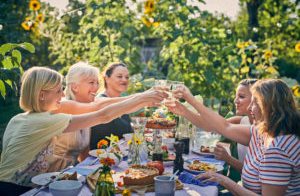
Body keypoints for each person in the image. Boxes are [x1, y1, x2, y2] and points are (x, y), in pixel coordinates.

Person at [0, 67, 167, 195]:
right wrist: (142, 97)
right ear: (42, 95)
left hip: (19, 186)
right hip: (15, 191)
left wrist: (143, 100)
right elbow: (102, 115)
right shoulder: (44, 120)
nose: (62, 95)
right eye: (58, 91)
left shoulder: (21, 118)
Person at [167, 79, 300, 196]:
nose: (249, 108)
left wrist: (224, 181)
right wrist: (183, 109)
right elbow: (223, 127)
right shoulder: (262, 132)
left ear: (268, 107)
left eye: (254, 103)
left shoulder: (276, 149)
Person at [47, 62, 100, 172]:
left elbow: (84, 153)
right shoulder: (61, 106)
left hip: (71, 174)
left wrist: (92, 172)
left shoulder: (86, 112)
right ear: (75, 87)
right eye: (91, 82)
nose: (97, 87)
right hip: (48, 174)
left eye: (97, 83)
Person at [214, 79, 257, 173]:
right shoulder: (241, 120)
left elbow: (254, 174)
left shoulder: (263, 130)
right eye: (236, 96)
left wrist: (228, 158)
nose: (235, 101)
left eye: (241, 97)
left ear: (256, 99)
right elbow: (214, 125)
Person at [90, 62, 132, 150]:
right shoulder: (100, 101)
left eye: (127, 77)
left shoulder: (122, 102)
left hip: (120, 158)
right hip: (99, 159)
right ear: (107, 79)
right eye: (119, 76)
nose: (124, 80)